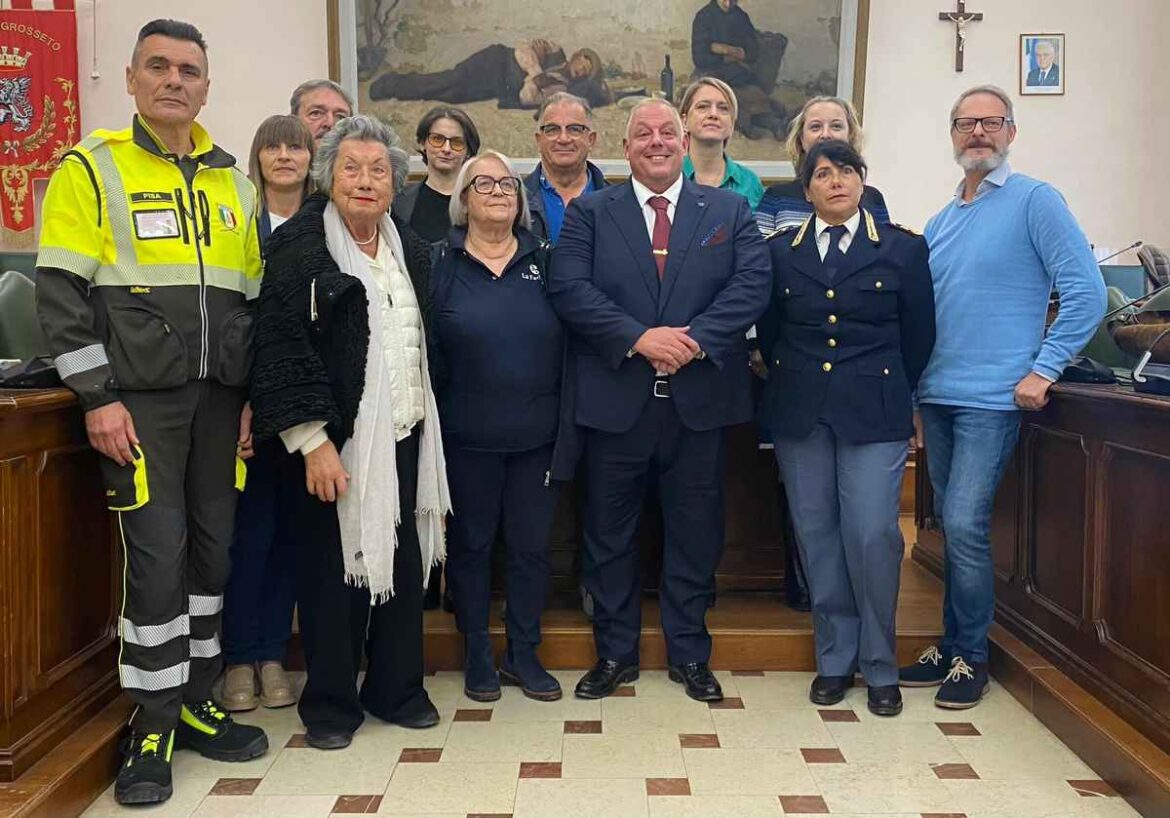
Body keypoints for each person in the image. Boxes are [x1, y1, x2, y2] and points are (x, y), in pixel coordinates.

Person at [34, 18, 267, 805]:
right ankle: (153, 723)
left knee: (213, 556)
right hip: (138, 409)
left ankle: (198, 698)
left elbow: (253, 305)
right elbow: (60, 296)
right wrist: (97, 396)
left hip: (219, 409)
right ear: (132, 79)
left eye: (189, 70)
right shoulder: (91, 169)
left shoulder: (234, 183)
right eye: (159, 67)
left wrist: (248, 402)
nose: (175, 80)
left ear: (207, 86)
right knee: (158, 561)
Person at [548, 98, 771, 702]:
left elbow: (753, 285)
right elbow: (569, 288)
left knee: (695, 533)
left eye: (666, 132)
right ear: (624, 148)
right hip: (616, 405)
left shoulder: (728, 209)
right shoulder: (591, 213)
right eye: (642, 134)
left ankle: (690, 655)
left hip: (699, 408)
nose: (656, 141)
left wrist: (694, 341)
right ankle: (614, 654)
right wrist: (638, 337)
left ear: (683, 140)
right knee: (608, 535)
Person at [899, 85, 1105, 709]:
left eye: (992, 122)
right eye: (966, 123)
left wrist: (1044, 368)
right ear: (952, 134)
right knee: (946, 527)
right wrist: (912, 396)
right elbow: (926, 316)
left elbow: (1088, 292)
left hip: (995, 398)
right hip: (938, 394)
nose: (978, 132)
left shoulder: (1035, 201)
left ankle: (971, 658)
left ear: (1011, 132)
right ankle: (951, 642)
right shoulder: (942, 220)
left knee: (963, 523)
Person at [250, 115, 450, 748]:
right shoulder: (300, 245)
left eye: (378, 170)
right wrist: (313, 441)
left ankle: (397, 689)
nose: (365, 182)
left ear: (396, 181)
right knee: (332, 576)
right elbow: (281, 348)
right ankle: (332, 707)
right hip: (333, 444)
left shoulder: (409, 247)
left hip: (407, 432)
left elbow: (424, 341)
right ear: (327, 177)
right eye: (351, 169)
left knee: (403, 564)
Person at [757, 139, 936, 717]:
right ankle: (835, 659)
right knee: (818, 536)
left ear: (863, 182)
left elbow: (920, 335)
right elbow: (769, 331)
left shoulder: (904, 249)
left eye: (847, 172)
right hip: (800, 410)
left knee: (872, 534)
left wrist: (901, 395)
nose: (836, 182)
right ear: (806, 188)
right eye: (823, 174)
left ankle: (880, 664)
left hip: (874, 409)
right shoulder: (781, 252)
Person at [429, 151, 565, 703]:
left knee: (532, 549)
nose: (497, 191)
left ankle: (524, 653)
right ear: (462, 201)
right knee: (472, 546)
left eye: (506, 183)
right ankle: (478, 653)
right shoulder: (438, 262)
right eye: (482, 183)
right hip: (465, 438)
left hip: (539, 436)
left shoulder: (549, 259)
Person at [753, 94, 892, 613]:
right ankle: (817, 608)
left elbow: (900, 312)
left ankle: (870, 636)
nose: (836, 181)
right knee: (810, 511)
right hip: (797, 379)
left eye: (837, 124)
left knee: (868, 523)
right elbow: (770, 307)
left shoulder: (883, 218)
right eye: (816, 125)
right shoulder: (775, 209)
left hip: (866, 390)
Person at [218, 115, 315, 713]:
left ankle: (274, 653)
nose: (284, 156)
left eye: (296, 147)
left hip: (306, 405)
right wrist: (243, 401)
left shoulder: (324, 222)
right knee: (247, 536)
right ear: (257, 156)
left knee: (290, 537)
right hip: (244, 404)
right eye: (273, 146)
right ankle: (237, 659)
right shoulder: (236, 220)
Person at [756, 96, 891, 236]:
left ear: (850, 135)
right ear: (801, 139)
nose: (825, 134)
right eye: (816, 127)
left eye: (836, 126)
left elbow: (885, 250)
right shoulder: (776, 197)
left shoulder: (873, 199)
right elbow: (759, 253)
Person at [369, 40, 612, 110]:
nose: (582, 69)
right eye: (584, 62)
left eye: (586, 72)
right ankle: (390, 84)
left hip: (496, 86)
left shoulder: (560, 89)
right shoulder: (555, 50)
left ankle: (403, 88)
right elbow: (524, 51)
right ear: (578, 55)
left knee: (452, 96)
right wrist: (536, 73)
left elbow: (527, 97)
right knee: (446, 80)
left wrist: (533, 80)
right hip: (494, 61)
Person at [690, 0, 784, 138]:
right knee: (717, 96)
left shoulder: (741, 18)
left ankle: (769, 121)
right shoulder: (703, 17)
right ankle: (756, 121)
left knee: (753, 94)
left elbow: (752, 53)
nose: (728, 3)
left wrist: (721, 48)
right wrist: (730, 54)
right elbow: (700, 58)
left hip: (737, 72)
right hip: (710, 72)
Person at [524, 91, 609, 244]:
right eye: (552, 129)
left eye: (574, 129)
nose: (563, 139)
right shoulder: (517, 200)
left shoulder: (618, 203)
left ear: (591, 140)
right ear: (539, 140)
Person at [392, 106, 481, 246]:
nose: (446, 149)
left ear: (468, 151)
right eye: (437, 139)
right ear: (423, 144)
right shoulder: (397, 203)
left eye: (457, 142)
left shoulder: (482, 201)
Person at [679, 76, 764, 208]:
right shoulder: (670, 177)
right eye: (703, 107)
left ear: (731, 124)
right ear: (684, 122)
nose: (713, 114)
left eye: (723, 108)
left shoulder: (749, 182)